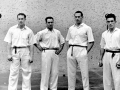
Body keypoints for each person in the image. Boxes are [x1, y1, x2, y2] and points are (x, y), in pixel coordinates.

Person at [4, 13, 34, 90]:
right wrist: (9, 54)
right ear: (17, 19)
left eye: (22, 19)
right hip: (15, 51)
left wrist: (31, 56)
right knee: (13, 72)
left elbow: (31, 45)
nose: (20, 20)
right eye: (19, 19)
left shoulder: (29, 31)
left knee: (26, 72)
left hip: (25, 51)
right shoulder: (12, 29)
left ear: (25, 19)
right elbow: (9, 43)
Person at [66, 11, 94, 90]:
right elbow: (67, 40)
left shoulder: (87, 28)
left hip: (82, 50)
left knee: (84, 73)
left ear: (82, 17)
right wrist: (68, 52)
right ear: (74, 17)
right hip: (71, 50)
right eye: (76, 17)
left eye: (79, 17)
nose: (77, 18)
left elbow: (91, 42)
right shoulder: (71, 28)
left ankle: (86, 88)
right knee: (71, 73)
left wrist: (85, 52)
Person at [34, 16, 65, 90]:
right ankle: (44, 88)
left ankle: (53, 88)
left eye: (51, 22)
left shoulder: (57, 32)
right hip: (46, 52)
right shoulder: (42, 32)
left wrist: (60, 50)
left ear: (53, 22)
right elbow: (34, 40)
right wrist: (39, 47)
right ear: (46, 23)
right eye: (48, 22)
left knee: (55, 72)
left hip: (55, 52)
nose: (50, 24)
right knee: (45, 72)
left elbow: (62, 42)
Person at [99, 13, 120, 90]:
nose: (110, 23)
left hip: (117, 55)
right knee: (106, 79)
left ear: (115, 21)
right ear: (106, 22)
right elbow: (102, 47)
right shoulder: (104, 34)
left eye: (112, 21)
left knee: (117, 79)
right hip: (106, 55)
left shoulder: (119, 32)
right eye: (108, 21)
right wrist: (100, 59)